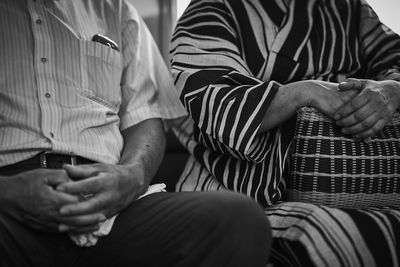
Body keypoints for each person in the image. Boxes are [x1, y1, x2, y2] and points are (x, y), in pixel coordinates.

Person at [0, 0, 272, 266]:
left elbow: (145, 117)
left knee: (239, 219)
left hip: (112, 204)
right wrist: (9, 191)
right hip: (8, 205)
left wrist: (133, 176)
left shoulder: (116, 9)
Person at [170, 0, 400, 265]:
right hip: (241, 186)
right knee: (324, 238)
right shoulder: (212, 7)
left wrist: (391, 90)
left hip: (369, 180)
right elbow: (210, 97)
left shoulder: (350, 9)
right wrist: (303, 93)